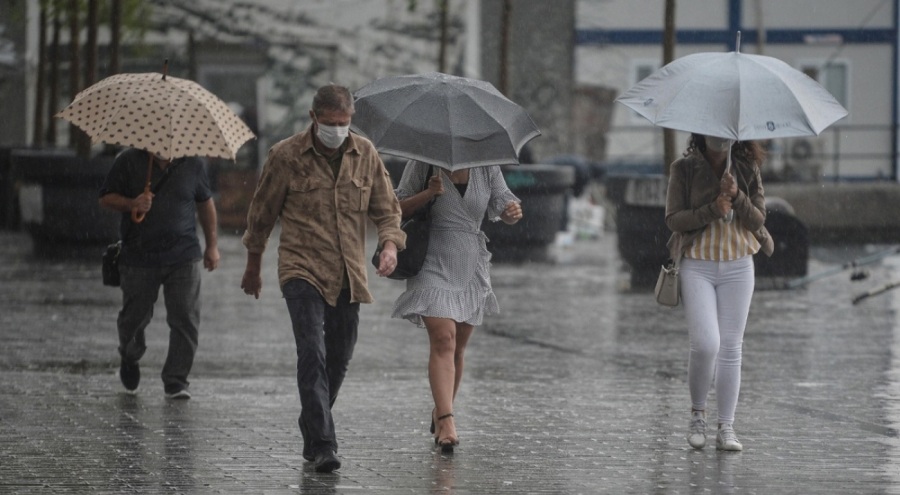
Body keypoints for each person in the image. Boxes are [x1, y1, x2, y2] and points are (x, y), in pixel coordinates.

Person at [240, 84, 405, 473]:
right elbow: (261, 215)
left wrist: (389, 246)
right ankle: (324, 444)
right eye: (330, 123)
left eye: (344, 123)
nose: (337, 130)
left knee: (340, 358)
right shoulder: (286, 156)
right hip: (301, 268)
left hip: (349, 271)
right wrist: (252, 265)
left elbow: (387, 210)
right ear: (313, 118)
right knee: (311, 351)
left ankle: (312, 421)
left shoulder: (364, 153)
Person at [391, 160, 523, 453]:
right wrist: (427, 194)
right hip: (430, 260)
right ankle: (447, 419)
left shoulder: (486, 165)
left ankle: (441, 408)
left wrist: (512, 212)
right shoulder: (422, 162)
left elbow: (504, 203)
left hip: (470, 263)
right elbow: (395, 208)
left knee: (458, 347)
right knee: (443, 338)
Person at [664, 134, 774, 451]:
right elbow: (674, 219)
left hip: (739, 264)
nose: (719, 140)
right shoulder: (682, 168)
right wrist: (713, 208)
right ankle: (697, 413)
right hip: (697, 263)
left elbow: (758, 218)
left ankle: (726, 425)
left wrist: (737, 195)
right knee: (705, 343)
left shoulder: (746, 166)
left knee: (730, 347)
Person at [99, 147, 220, 400]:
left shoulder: (194, 164)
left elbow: (205, 204)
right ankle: (130, 355)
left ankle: (176, 380)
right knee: (134, 318)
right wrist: (132, 203)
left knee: (186, 317)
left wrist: (212, 246)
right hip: (139, 257)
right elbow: (106, 199)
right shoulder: (129, 161)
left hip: (184, 254)